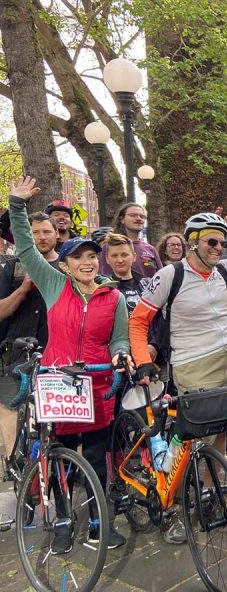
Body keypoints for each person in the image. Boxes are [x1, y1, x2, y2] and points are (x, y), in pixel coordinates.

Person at [9, 176, 131, 551]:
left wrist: (119, 355)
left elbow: (120, 338)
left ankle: (97, 523)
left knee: (95, 459)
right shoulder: (53, 284)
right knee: (59, 459)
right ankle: (62, 521)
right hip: (58, 385)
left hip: (96, 384)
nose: (88, 262)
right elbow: (28, 250)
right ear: (65, 263)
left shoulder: (113, 297)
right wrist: (16, 206)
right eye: (79, 256)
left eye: (93, 256)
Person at [129, 200, 227, 466]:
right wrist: (143, 360)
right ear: (192, 242)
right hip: (194, 362)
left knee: (225, 425)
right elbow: (138, 321)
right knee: (199, 435)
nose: (218, 249)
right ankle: (179, 489)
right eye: (212, 242)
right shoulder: (171, 275)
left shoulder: (223, 270)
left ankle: (211, 489)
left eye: (223, 243)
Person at [0, 211, 60, 469]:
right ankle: (16, 466)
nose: (41, 237)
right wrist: (23, 289)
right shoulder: (12, 267)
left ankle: (54, 466)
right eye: (34, 232)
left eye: (47, 231)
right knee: (10, 409)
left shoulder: (68, 266)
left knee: (55, 416)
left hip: (56, 351)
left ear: (57, 234)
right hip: (16, 352)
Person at [100, 203, 162, 278]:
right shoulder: (109, 246)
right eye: (133, 215)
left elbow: (161, 278)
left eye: (142, 216)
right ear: (122, 219)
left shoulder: (150, 249)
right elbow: (105, 277)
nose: (139, 218)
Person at [104, 233, 150, 315]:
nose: (120, 260)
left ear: (134, 257)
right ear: (107, 259)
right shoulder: (104, 288)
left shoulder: (148, 284)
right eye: (114, 256)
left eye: (124, 255)